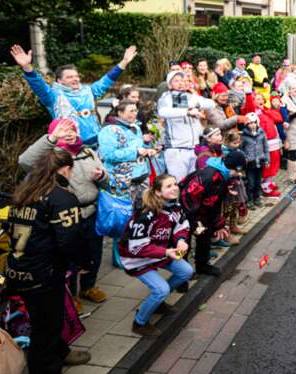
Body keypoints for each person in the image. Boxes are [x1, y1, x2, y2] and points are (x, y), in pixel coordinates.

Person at [6, 149, 93, 371]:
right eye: (71, 170)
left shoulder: (25, 192)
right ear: (64, 169)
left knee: (48, 317)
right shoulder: (61, 197)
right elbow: (70, 239)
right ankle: (45, 367)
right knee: (45, 327)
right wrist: (85, 262)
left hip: (19, 267)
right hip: (42, 274)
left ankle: (61, 351)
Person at [19, 119, 109, 307]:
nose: (70, 133)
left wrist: (102, 177)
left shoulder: (87, 151)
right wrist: (52, 138)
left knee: (93, 252)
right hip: (67, 214)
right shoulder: (51, 156)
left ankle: (88, 287)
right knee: (70, 256)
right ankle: (72, 295)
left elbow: (107, 181)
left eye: (73, 129)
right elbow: (25, 162)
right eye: (65, 130)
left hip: (91, 212)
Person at [11, 44, 138, 146]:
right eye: (70, 77)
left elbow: (106, 80)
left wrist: (124, 63)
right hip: (70, 146)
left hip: (97, 142)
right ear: (59, 80)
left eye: (77, 76)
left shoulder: (88, 90)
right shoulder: (54, 96)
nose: (75, 79)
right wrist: (27, 67)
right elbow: (39, 86)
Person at [117, 174, 192, 337]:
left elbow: (182, 226)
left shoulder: (175, 206)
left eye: (175, 184)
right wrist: (166, 252)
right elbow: (136, 248)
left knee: (186, 271)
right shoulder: (146, 214)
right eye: (169, 186)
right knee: (161, 289)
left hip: (160, 252)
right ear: (158, 192)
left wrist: (180, 241)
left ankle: (157, 304)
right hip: (136, 259)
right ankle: (139, 323)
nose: (175, 188)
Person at [179, 150, 245, 276]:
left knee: (205, 236)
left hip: (202, 213)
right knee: (184, 242)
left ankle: (202, 266)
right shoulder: (211, 176)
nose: (238, 174)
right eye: (238, 170)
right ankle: (182, 275)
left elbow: (213, 201)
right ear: (232, 167)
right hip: (189, 213)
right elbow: (194, 198)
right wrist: (196, 220)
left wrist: (216, 223)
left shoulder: (221, 174)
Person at [157, 71, 217, 181]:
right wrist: (187, 111)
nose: (180, 83)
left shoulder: (191, 97)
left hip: (194, 149)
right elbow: (163, 112)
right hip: (177, 150)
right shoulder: (166, 97)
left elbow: (211, 104)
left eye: (183, 80)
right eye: (176, 81)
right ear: (169, 84)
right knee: (179, 184)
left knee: (193, 185)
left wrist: (196, 105)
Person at [98, 101, 158, 201]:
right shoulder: (108, 130)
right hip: (122, 181)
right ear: (120, 113)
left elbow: (138, 147)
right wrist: (136, 152)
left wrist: (147, 148)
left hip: (141, 178)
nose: (135, 113)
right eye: (131, 111)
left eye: (135, 110)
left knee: (140, 211)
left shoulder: (136, 127)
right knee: (125, 213)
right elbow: (108, 155)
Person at [240, 113, 269, 209]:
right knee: (250, 182)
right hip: (250, 163)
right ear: (246, 124)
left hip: (260, 161)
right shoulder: (244, 136)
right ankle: (249, 200)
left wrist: (267, 159)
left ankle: (257, 198)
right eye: (250, 123)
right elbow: (241, 149)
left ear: (257, 123)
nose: (252, 125)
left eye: (254, 123)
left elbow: (266, 147)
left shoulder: (262, 133)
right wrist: (245, 159)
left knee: (257, 181)